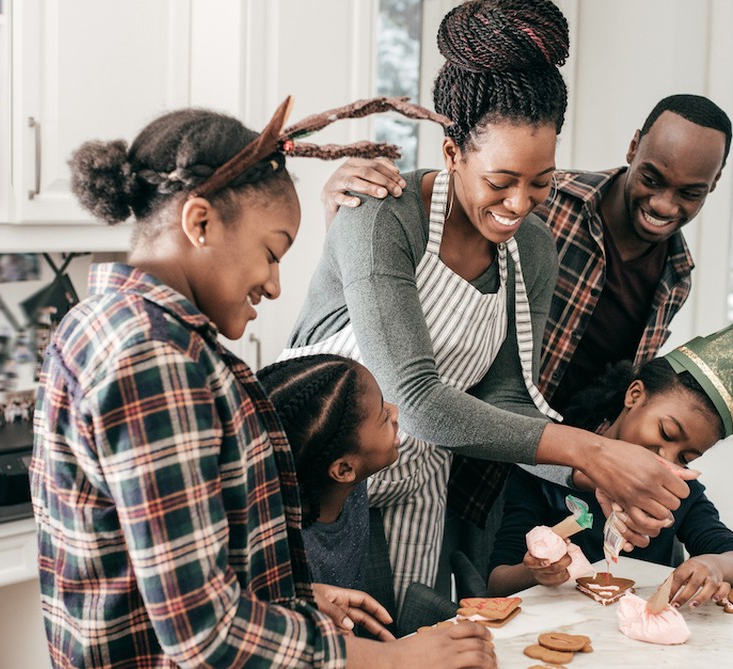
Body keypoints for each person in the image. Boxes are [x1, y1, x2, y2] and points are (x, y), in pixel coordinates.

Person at [31, 101, 496, 668]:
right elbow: (204, 631)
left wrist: (294, 600)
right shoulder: (155, 360)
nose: (275, 286)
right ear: (199, 222)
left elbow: (174, 568)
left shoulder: (100, 324)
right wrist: (396, 662)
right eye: (271, 253)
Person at [282, 0, 695, 610]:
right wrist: (594, 451)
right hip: (318, 483)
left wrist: (593, 478)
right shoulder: (380, 218)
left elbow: (505, 396)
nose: (521, 203)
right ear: (452, 152)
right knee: (334, 637)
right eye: (500, 181)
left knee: (417, 627)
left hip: (422, 477)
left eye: (541, 181)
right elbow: (418, 400)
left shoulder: (532, 247)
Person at [322, 94, 733, 550]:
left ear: (713, 185)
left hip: (555, 471)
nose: (663, 203)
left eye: (690, 193)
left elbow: (514, 390)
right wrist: (349, 199)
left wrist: (603, 467)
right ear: (633, 148)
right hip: (468, 450)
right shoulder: (549, 203)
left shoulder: (677, 276)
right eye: (653, 178)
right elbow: (470, 174)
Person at [488, 301, 733, 609]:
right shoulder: (545, 474)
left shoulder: (675, 494)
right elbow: (497, 580)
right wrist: (537, 572)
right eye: (666, 433)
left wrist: (714, 565)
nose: (666, 458)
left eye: (686, 458)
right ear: (634, 395)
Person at [258, 354, 400, 594]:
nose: (395, 412)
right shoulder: (289, 555)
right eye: (383, 417)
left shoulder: (352, 488)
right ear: (344, 470)